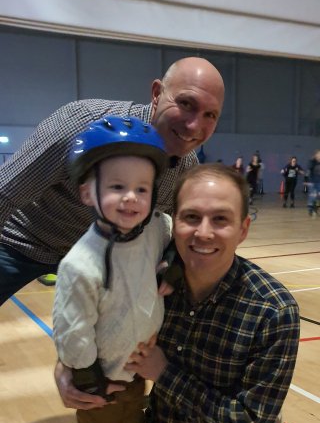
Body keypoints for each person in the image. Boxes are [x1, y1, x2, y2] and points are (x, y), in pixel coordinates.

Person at [126, 163, 300, 423]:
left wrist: (164, 373)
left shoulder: (274, 310)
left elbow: (250, 422)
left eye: (220, 219)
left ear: (242, 229)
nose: (203, 233)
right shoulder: (152, 283)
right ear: (174, 224)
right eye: (191, 217)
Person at [0, 56, 224, 306]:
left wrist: (173, 260)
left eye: (210, 115)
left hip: (103, 256)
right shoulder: (80, 123)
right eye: (185, 103)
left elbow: (181, 228)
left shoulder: (186, 166)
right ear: (156, 93)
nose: (194, 126)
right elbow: (4, 194)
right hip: (24, 242)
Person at [41, 116, 172, 423]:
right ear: (87, 192)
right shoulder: (80, 264)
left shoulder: (153, 229)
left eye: (142, 189)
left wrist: (178, 265)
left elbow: (171, 230)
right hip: (101, 379)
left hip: (137, 365)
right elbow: (72, 327)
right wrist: (86, 376)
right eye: (117, 187)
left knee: (132, 421)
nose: (131, 198)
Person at [306, 149, 320, 216]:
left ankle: (316, 208)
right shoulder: (312, 162)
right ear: (315, 155)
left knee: (318, 196)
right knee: (313, 196)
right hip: (312, 182)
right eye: (318, 154)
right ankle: (310, 209)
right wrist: (307, 180)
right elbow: (308, 171)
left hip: (319, 182)